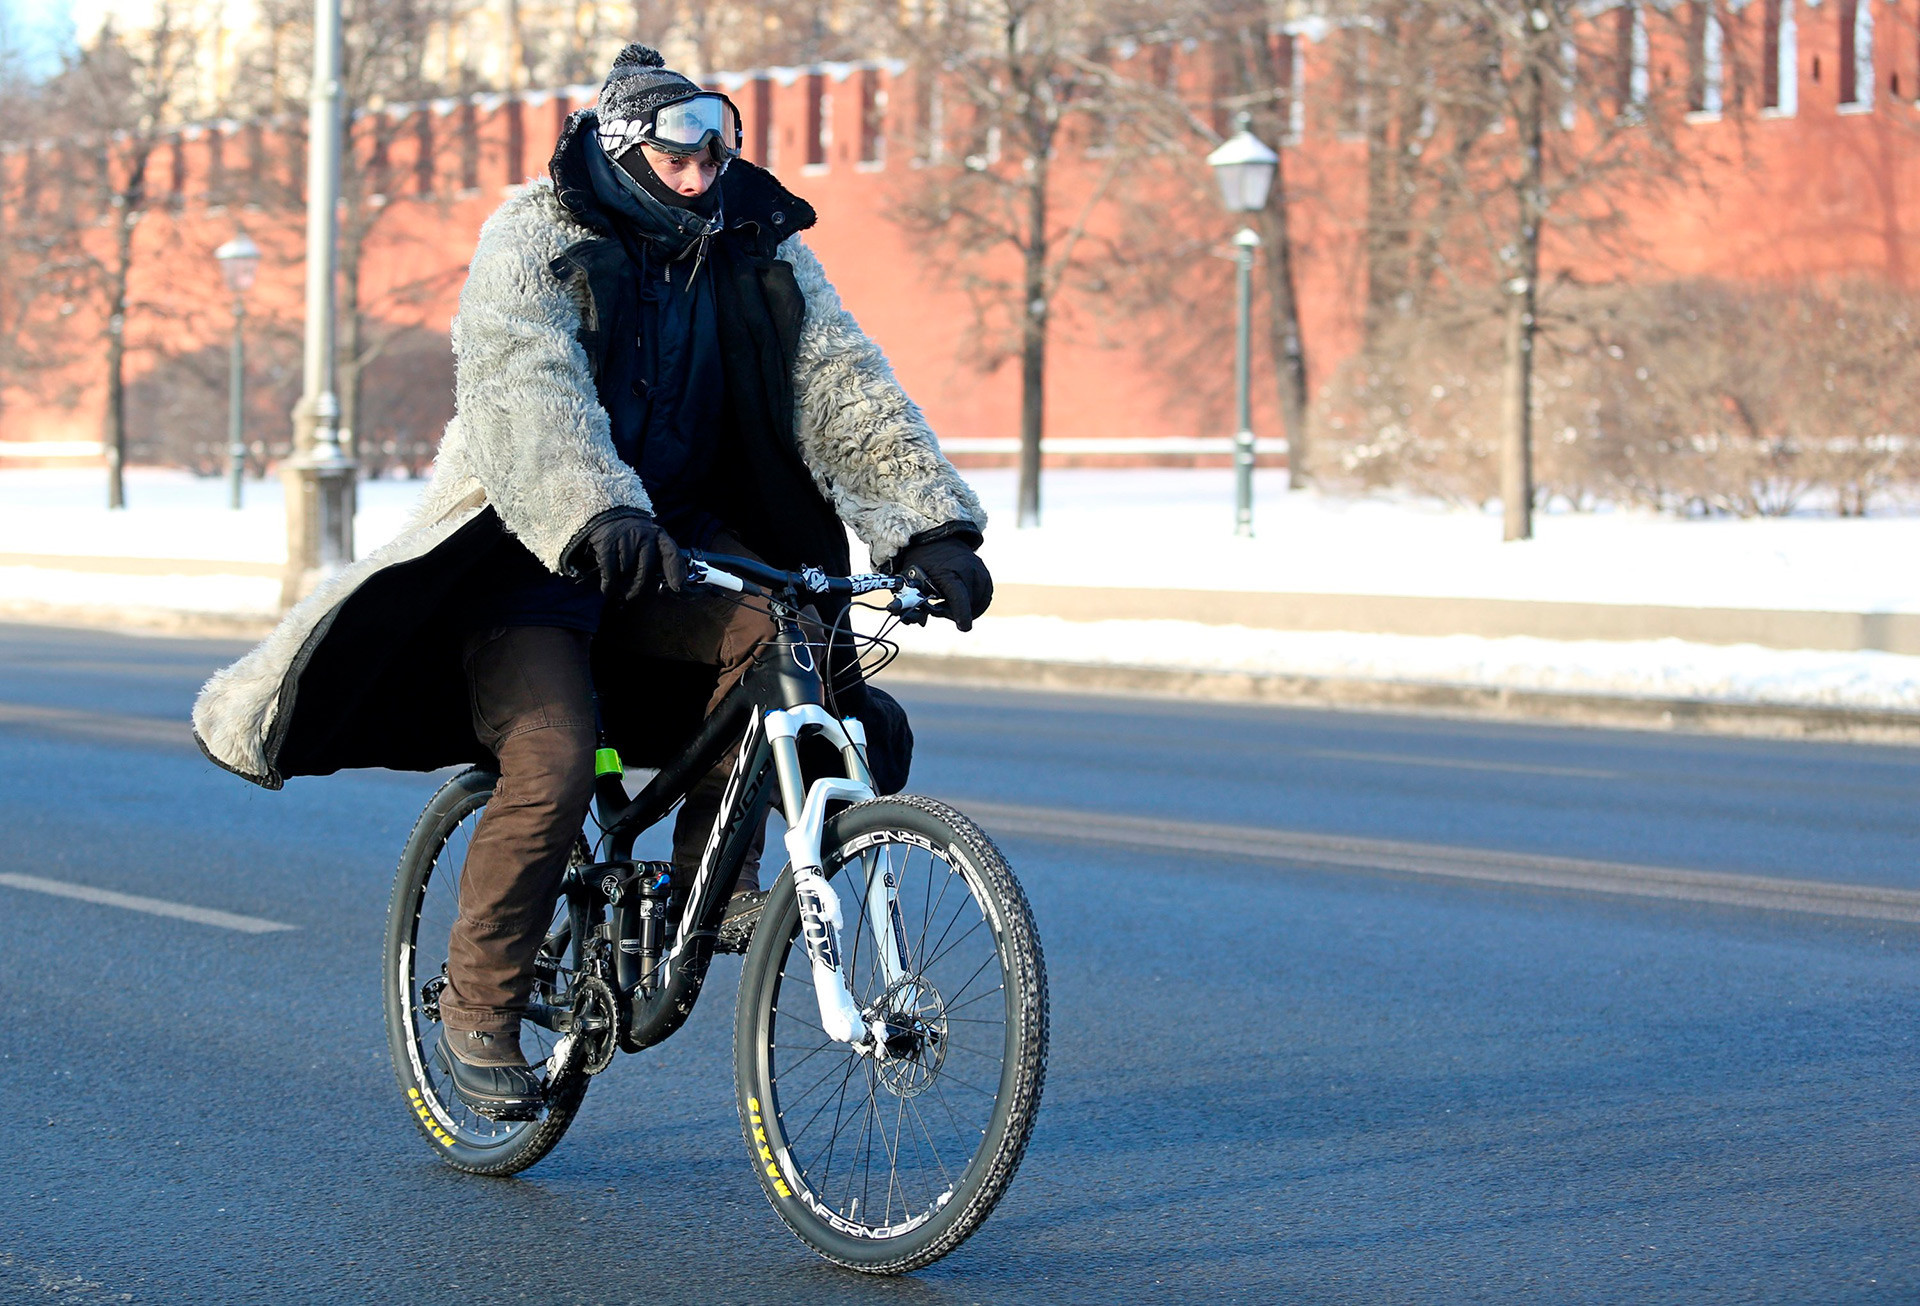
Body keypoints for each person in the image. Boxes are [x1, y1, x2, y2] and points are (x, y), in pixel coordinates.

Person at [192, 43, 992, 1121]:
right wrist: (594, 510)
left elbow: (842, 384)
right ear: (627, 153)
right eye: (682, 156)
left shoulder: (754, 244)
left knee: (783, 640)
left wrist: (930, 526)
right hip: (529, 551)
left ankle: (716, 893)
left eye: (720, 151)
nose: (706, 174)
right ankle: (482, 1001)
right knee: (558, 754)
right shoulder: (538, 235)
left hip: (677, 546)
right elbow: (526, 383)